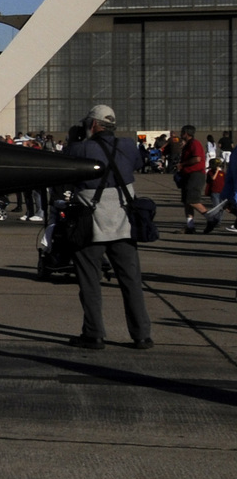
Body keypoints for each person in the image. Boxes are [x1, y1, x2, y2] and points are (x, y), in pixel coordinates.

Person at [67, 105, 152, 350]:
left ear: (92, 125)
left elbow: (69, 169)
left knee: (89, 281)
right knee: (132, 282)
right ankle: (142, 335)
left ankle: (94, 334)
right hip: (123, 224)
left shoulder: (80, 148)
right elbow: (135, 164)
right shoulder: (127, 145)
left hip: (90, 224)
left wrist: (76, 138)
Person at [177, 125, 208, 232]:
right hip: (187, 175)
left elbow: (197, 158)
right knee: (186, 201)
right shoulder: (188, 145)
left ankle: (211, 218)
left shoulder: (195, 144)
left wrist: (182, 164)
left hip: (195, 174)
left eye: (182, 132)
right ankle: (190, 226)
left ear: (186, 133)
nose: (180, 133)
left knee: (192, 200)